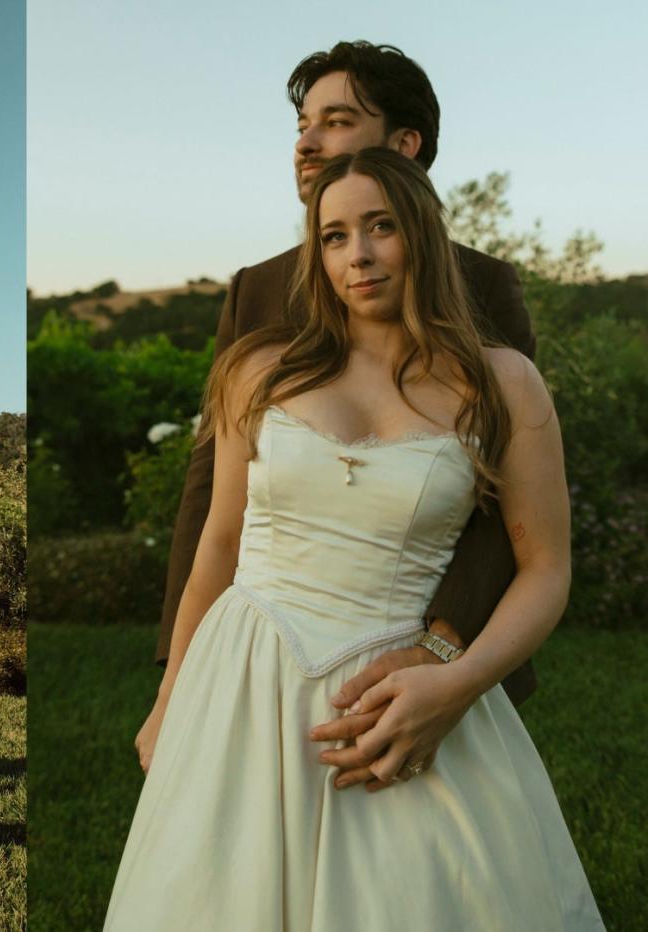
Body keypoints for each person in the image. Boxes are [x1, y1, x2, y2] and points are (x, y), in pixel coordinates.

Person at [104, 148, 603, 929]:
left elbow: (544, 568)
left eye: (381, 227)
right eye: (334, 236)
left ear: (423, 236)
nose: (358, 255)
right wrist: (170, 698)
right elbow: (219, 545)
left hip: (396, 697)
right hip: (241, 686)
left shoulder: (503, 383)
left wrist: (456, 682)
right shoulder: (257, 371)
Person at [155, 42, 538, 793]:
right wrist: (178, 672)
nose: (306, 142)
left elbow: (505, 499)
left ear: (405, 145)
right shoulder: (257, 291)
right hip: (255, 662)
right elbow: (210, 500)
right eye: (302, 124)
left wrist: (446, 655)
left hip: (425, 657)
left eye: (335, 121)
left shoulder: (486, 288)